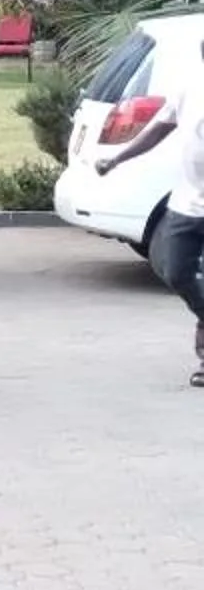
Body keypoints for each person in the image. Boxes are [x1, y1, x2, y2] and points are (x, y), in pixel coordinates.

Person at [92, 70, 204, 386]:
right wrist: (117, 158)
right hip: (187, 204)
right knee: (176, 271)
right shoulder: (192, 86)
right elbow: (158, 130)